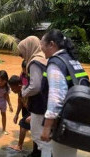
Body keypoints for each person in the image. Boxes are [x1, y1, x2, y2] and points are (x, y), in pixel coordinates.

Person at [40, 29, 89, 157]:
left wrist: (46, 127)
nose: (41, 49)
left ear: (51, 44)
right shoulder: (73, 60)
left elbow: (56, 98)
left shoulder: (56, 63)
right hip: (77, 119)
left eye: (42, 45)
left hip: (64, 122)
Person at [18, 36, 52, 157]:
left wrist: (23, 92)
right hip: (47, 103)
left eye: (22, 53)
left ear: (28, 49)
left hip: (39, 104)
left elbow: (35, 86)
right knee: (45, 136)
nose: (21, 56)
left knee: (38, 137)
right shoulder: (45, 59)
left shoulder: (34, 62)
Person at [8, 62, 31, 151]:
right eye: (11, 89)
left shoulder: (26, 91)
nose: (12, 91)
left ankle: (19, 146)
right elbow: (20, 102)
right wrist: (16, 114)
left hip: (33, 109)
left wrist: (32, 115)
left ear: (19, 85)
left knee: (23, 123)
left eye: (13, 88)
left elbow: (33, 104)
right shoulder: (19, 91)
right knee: (25, 124)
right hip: (26, 108)